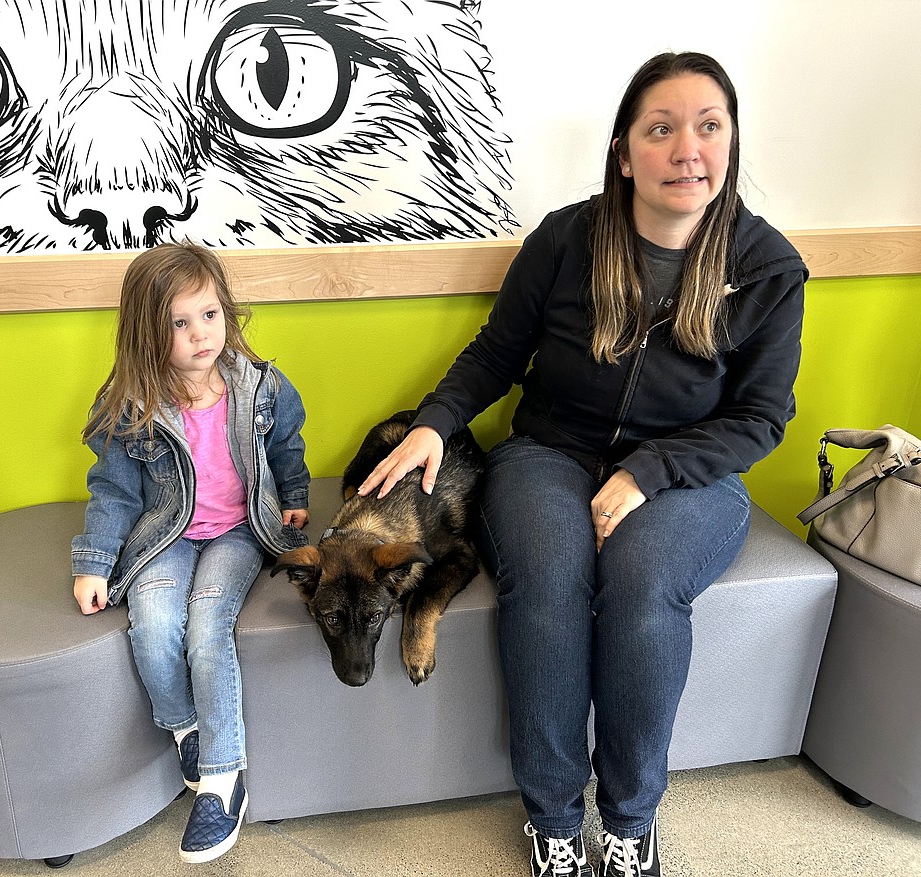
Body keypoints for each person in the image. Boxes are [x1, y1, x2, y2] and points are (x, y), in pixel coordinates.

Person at [359, 52, 806, 877]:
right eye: (661, 129)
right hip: (549, 453)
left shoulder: (768, 266)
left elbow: (760, 416)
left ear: (732, 143)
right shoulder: (567, 237)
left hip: (688, 473)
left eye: (709, 127)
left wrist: (649, 472)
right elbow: (497, 352)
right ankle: (555, 818)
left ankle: (631, 822)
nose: (687, 150)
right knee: (551, 576)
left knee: (640, 585)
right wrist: (433, 423)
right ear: (624, 149)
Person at [70, 242, 310, 864]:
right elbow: (114, 492)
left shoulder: (258, 386)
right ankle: (186, 729)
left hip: (238, 532)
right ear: (149, 335)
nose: (201, 335)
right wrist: (94, 562)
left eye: (209, 314)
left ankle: (224, 779)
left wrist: (295, 497)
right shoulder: (132, 406)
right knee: (150, 625)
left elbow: (287, 446)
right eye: (180, 323)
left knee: (208, 627)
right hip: (168, 534)